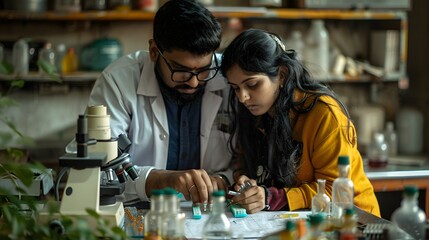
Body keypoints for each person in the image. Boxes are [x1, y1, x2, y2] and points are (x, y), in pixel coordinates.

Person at [221, 28, 380, 216]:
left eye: (252, 84)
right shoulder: (253, 113)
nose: (242, 97)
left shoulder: (324, 114)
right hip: (295, 221)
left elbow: (334, 190)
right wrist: (245, 183)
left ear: (281, 74)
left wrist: (272, 197)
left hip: (352, 220)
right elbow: (244, 165)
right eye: (235, 88)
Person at [88, 0, 232, 206]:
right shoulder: (118, 80)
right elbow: (96, 171)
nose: (193, 81)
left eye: (203, 70)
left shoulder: (229, 76)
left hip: (212, 210)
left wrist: (224, 180)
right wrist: (157, 180)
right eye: (180, 70)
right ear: (154, 51)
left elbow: (249, 160)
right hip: (140, 210)